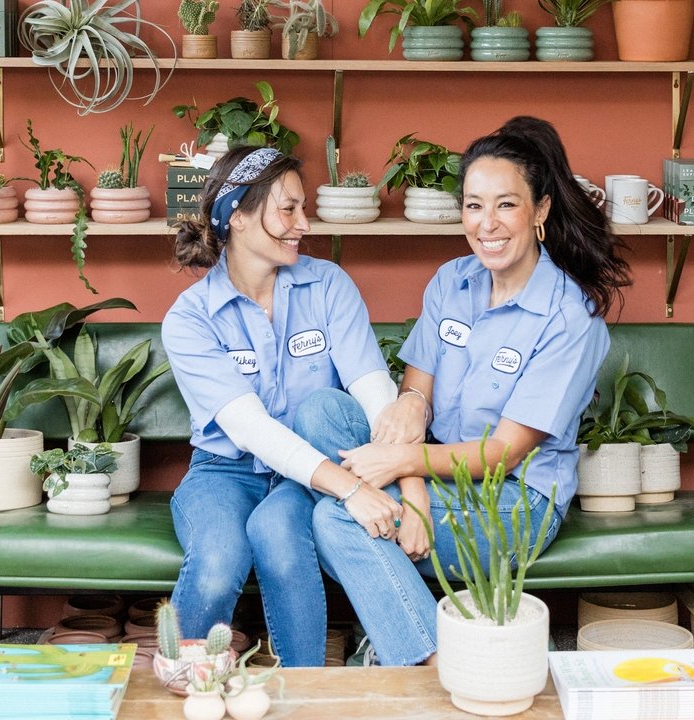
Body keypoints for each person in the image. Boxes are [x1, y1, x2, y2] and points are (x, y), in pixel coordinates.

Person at [304, 116, 632, 666]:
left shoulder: (569, 318)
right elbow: (413, 402)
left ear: (541, 210)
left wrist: (401, 465)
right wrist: (414, 492)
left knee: (334, 517)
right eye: (474, 205)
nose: (488, 224)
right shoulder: (452, 282)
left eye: (506, 204)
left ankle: (431, 660)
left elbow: (504, 453)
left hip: (511, 498)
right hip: (431, 472)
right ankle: (420, 634)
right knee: (322, 411)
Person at [161, 145, 405, 667]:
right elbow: (248, 429)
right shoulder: (190, 318)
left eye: (303, 208)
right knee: (218, 558)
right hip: (224, 473)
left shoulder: (328, 285)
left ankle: (304, 691)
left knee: (280, 537)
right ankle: (183, 682)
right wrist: (353, 489)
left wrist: (402, 479)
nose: (303, 224)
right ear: (239, 217)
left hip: (304, 476)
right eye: (287, 209)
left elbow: (373, 389)